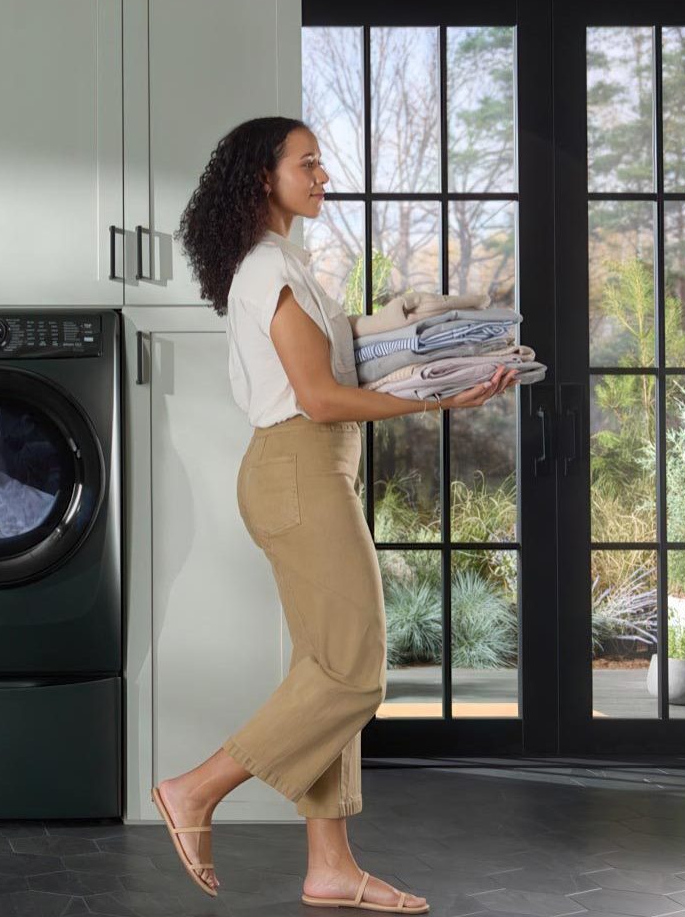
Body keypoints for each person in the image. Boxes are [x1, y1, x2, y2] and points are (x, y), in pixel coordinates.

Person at [149, 116, 519, 914]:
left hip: (307, 471)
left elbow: (336, 354)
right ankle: (195, 789)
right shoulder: (265, 271)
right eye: (308, 164)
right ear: (263, 178)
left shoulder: (287, 263)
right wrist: (434, 402)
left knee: (325, 666)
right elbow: (316, 397)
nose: (324, 177)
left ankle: (331, 866)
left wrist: (422, 339)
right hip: (298, 470)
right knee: (356, 671)